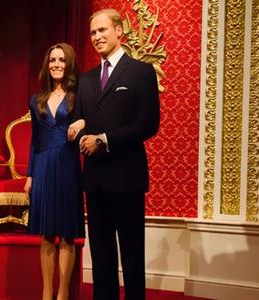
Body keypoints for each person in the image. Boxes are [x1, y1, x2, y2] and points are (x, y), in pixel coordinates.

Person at [69, 8, 160, 300]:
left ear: (119, 31)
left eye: (102, 30)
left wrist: (105, 140)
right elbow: (83, 120)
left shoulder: (140, 71)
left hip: (127, 178)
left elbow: (148, 124)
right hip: (95, 181)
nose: (96, 37)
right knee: (102, 258)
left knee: (132, 257)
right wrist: (80, 127)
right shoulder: (86, 79)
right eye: (93, 32)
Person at [24, 42, 86, 300]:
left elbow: (93, 121)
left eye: (61, 60)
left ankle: (63, 294)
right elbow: (34, 140)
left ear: (69, 64)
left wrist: (83, 121)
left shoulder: (80, 96)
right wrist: (29, 176)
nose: (57, 64)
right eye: (52, 60)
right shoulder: (35, 100)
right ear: (47, 66)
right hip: (43, 167)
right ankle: (46, 293)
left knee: (68, 235)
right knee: (47, 235)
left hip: (68, 165)